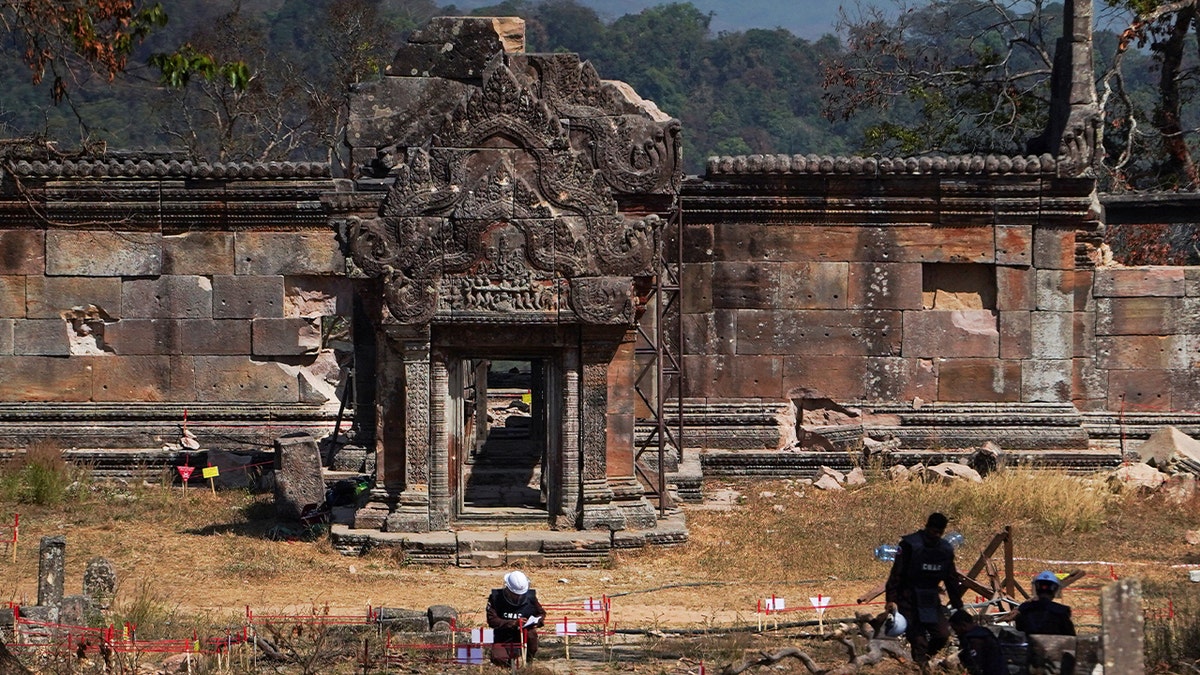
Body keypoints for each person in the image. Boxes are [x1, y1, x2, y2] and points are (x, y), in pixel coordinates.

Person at [884, 512, 966, 674]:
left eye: (938, 533)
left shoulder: (945, 549)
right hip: (907, 598)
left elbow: (951, 578)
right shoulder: (909, 545)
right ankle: (921, 667)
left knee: (942, 634)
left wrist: (958, 604)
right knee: (918, 639)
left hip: (930, 599)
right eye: (932, 531)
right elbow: (896, 575)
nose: (934, 536)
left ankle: (923, 660)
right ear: (927, 527)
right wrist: (891, 600)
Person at [486, 570, 546, 667]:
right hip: (503, 637)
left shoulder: (531, 598)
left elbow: (541, 613)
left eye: (521, 594)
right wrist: (513, 623)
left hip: (524, 636)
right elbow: (492, 620)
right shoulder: (496, 598)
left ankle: (528, 661)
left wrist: (537, 621)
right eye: (515, 594)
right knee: (499, 658)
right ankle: (507, 665)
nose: (519, 597)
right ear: (508, 589)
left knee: (531, 634)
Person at [1015, 571, 1075, 636]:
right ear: (1055, 589)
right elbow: (1070, 636)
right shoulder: (1062, 611)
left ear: (1037, 588)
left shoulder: (1024, 608)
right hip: (1055, 645)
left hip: (1031, 646)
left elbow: (1019, 629)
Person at [950, 609, 1006, 675]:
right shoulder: (984, 632)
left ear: (963, 625)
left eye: (956, 629)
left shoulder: (975, 640)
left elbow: (977, 664)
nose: (956, 633)